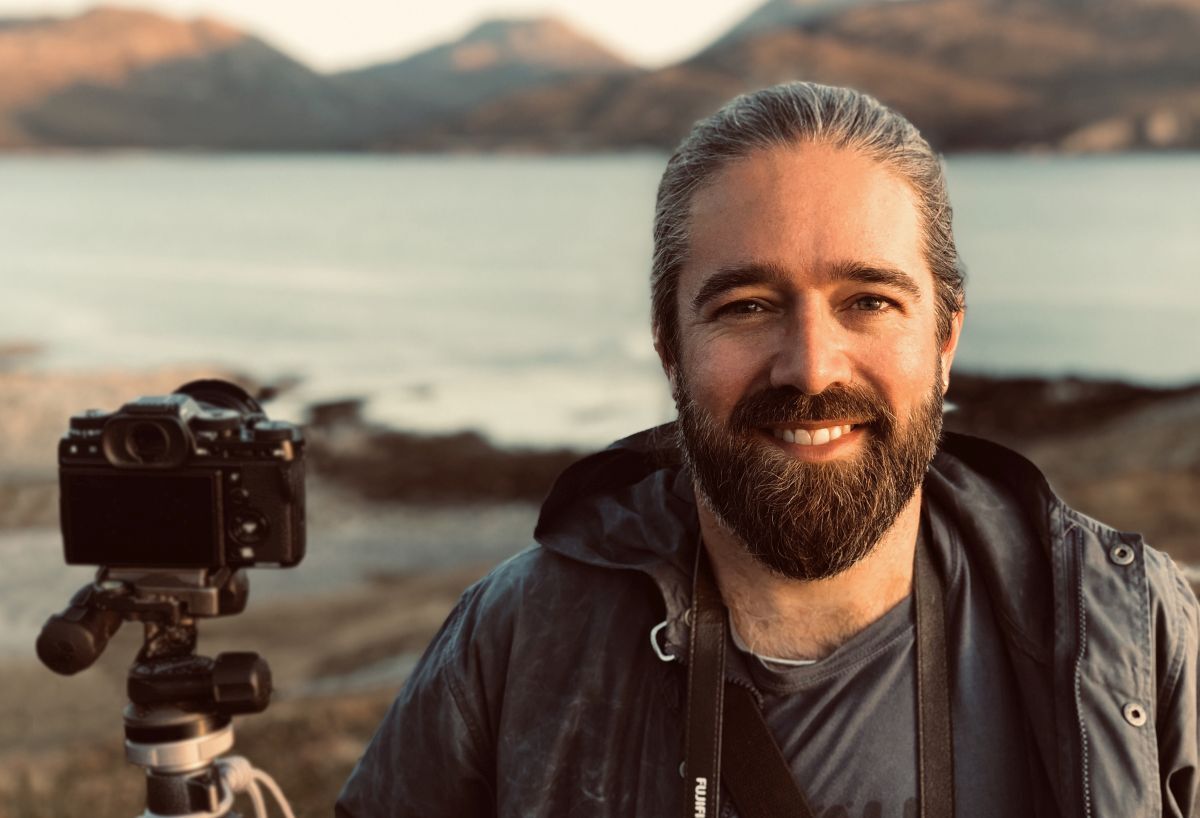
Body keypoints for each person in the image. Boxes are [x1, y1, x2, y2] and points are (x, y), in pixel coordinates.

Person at [335, 82, 1199, 818]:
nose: (811, 368)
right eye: (747, 305)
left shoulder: (1131, 628)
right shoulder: (520, 634)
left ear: (945, 340)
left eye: (868, 300)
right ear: (669, 345)